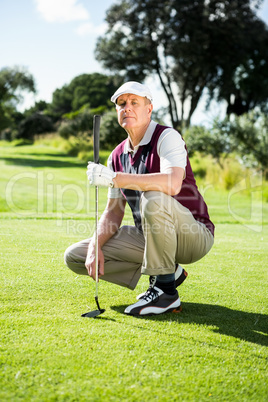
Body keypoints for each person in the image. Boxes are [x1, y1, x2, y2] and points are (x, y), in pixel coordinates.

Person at [64, 81, 215, 316]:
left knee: (153, 197)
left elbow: (172, 183)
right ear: (117, 111)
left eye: (135, 102)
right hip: (151, 238)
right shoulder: (116, 155)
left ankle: (165, 291)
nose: (127, 108)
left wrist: (116, 178)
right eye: (122, 104)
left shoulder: (167, 137)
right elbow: (113, 212)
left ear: (149, 109)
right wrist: (95, 245)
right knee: (76, 256)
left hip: (193, 235)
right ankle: (169, 272)